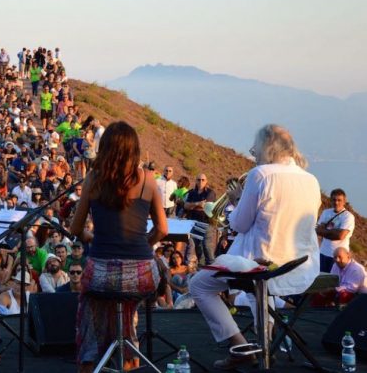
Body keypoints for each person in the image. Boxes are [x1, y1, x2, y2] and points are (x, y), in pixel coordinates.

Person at [189, 124, 321, 370]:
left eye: (255, 149)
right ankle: (266, 342)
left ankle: (240, 347)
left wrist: (237, 200)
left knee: (198, 285)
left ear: (266, 147)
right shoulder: (311, 179)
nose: (254, 155)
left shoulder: (260, 175)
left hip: (262, 266)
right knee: (255, 283)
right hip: (301, 266)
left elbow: (238, 224)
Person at [70, 121, 168, 373]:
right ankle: (129, 359)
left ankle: (90, 362)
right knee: (125, 308)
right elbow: (162, 230)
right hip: (142, 275)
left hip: (101, 274)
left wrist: (91, 237)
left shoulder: (93, 178)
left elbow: (75, 229)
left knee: (91, 313)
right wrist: (142, 246)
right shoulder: (148, 179)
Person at [316, 188, 355, 272]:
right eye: (334, 200)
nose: (336, 202)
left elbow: (340, 236)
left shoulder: (348, 217)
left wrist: (325, 231)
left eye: (339, 200)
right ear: (331, 200)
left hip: (339, 257)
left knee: (335, 282)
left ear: (344, 201)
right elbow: (318, 230)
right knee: (321, 281)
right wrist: (334, 232)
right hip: (323, 253)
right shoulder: (326, 212)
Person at [183, 174, 217, 264]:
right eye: (198, 180)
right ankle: (202, 267)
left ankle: (211, 266)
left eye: (203, 180)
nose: (200, 181)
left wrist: (192, 205)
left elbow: (206, 207)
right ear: (196, 181)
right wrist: (197, 204)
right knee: (196, 246)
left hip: (206, 222)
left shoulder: (210, 193)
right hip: (193, 222)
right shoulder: (191, 192)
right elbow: (185, 206)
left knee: (207, 246)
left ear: (206, 181)